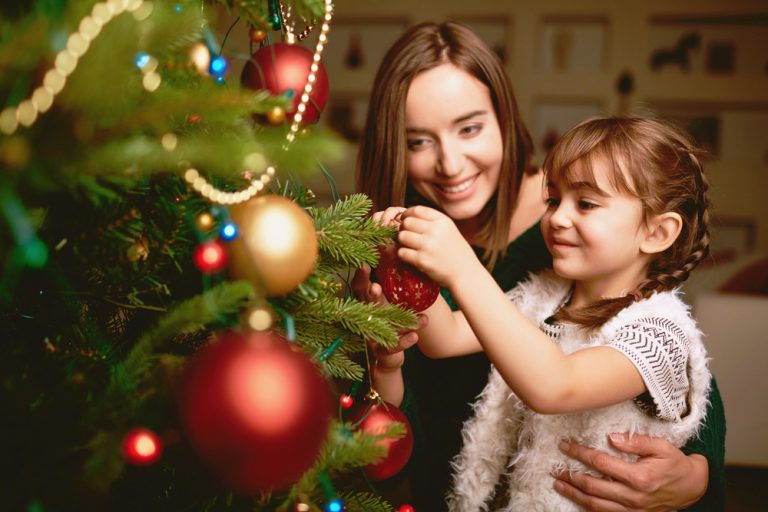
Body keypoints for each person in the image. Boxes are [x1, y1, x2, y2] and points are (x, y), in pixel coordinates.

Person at [353, 22, 725, 511]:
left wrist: (697, 473)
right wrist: (395, 285)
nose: (450, 163)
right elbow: (442, 340)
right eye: (418, 141)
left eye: (469, 128)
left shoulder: (641, 308)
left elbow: (573, 385)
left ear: (505, 120)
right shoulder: (548, 290)